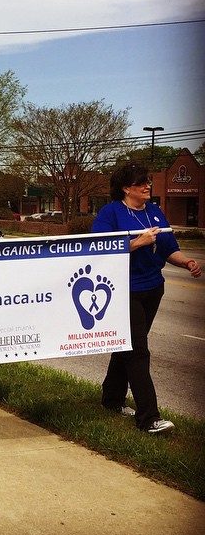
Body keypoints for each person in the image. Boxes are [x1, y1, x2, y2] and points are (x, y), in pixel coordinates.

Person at [91, 163, 201, 434]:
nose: (147, 186)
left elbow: (167, 249)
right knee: (138, 351)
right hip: (123, 289)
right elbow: (98, 249)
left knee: (126, 344)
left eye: (148, 182)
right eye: (141, 183)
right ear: (126, 188)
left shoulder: (154, 211)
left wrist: (186, 261)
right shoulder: (112, 213)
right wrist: (135, 243)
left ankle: (112, 399)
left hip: (153, 288)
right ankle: (149, 418)